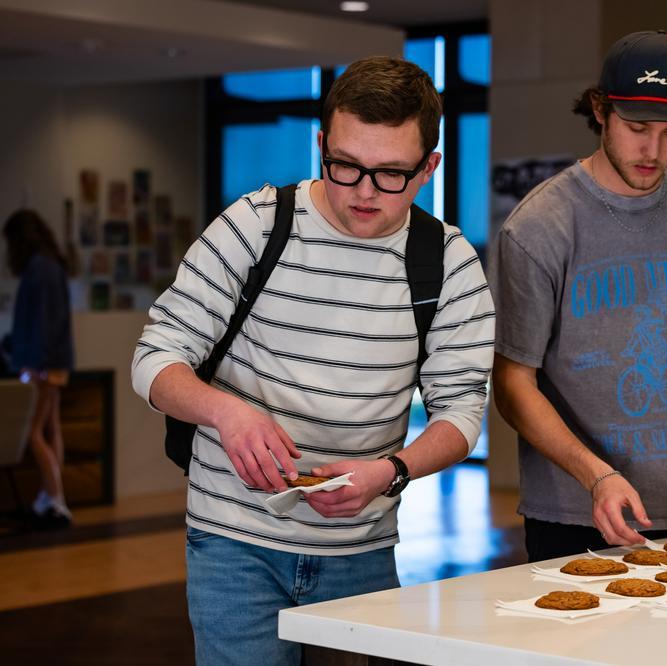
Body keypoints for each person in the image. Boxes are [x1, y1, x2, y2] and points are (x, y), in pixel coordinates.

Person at [131, 57, 494, 665]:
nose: (364, 192)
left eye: (391, 175)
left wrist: (393, 471)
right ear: (321, 143)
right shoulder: (254, 226)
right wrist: (227, 413)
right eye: (345, 166)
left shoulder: (448, 262)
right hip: (232, 545)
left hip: (362, 550)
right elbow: (155, 357)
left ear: (429, 168)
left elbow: (460, 415)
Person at [490, 31, 667, 562]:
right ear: (600, 109)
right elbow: (512, 384)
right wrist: (596, 477)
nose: (653, 150)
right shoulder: (540, 226)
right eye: (637, 128)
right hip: (574, 514)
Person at [3, 209, 75, 528]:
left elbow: (43, 322)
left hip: (43, 364)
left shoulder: (40, 267)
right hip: (52, 362)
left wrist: (35, 365)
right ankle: (50, 498)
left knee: (32, 432)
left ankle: (55, 501)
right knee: (50, 429)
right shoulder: (51, 264)